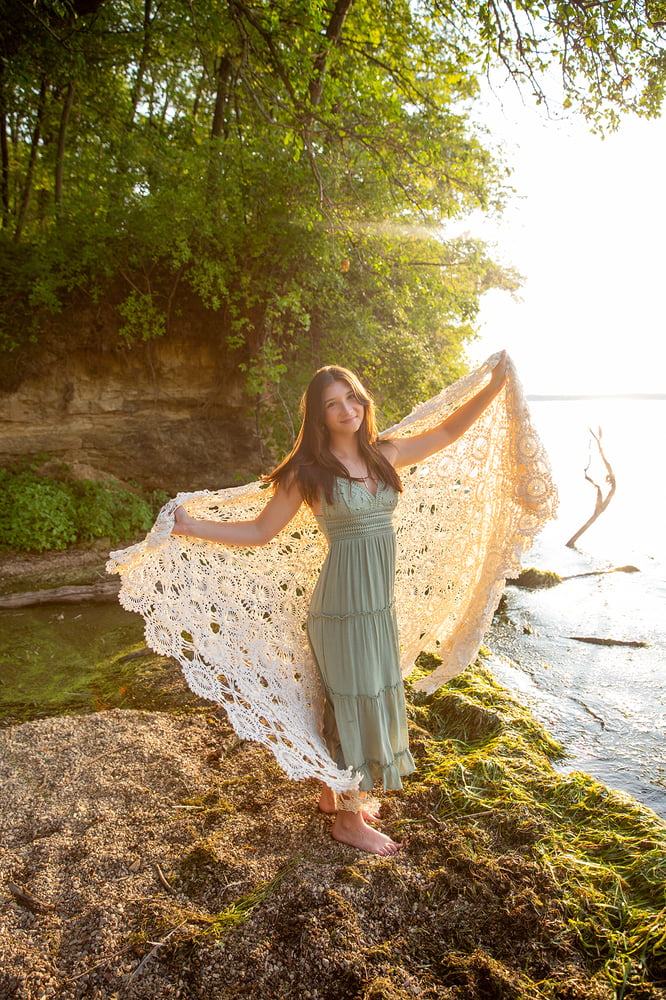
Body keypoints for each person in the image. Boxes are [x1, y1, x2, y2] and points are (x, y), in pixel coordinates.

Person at [172, 351, 508, 856]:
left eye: (352, 397)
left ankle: (334, 795)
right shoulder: (309, 471)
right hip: (341, 607)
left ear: (363, 401)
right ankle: (349, 822)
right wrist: (193, 526)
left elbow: (446, 435)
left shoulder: (383, 455)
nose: (347, 408)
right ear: (319, 415)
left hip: (378, 605)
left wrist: (492, 388)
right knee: (353, 700)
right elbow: (262, 531)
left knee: (353, 697)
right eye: (333, 404)